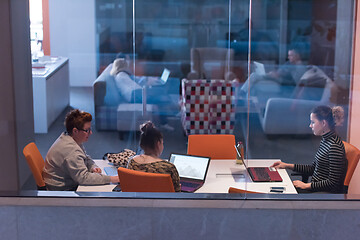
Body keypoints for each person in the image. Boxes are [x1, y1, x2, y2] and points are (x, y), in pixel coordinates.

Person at [271, 105, 347, 193]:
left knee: (279, 193)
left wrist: (306, 185)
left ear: (323, 123)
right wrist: (287, 165)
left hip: (322, 194)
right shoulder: (326, 141)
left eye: (313, 122)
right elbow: (313, 169)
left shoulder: (334, 146)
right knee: (277, 189)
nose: (310, 125)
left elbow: (333, 182)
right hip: (315, 189)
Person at [43, 109, 119, 191]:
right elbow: (84, 178)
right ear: (75, 131)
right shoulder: (71, 150)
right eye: (87, 130)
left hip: (68, 181)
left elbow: (84, 157)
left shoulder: (69, 138)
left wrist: (93, 167)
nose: (91, 133)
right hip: (61, 190)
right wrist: (113, 179)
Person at [127, 121, 181, 192]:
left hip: (138, 201)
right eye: (162, 143)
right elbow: (177, 194)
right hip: (163, 202)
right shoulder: (168, 167)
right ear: (158, 144)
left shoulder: (132, 162)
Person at [240, 48, 307, 95]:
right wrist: (273, 73)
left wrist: (276, 74)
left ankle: (242, 93)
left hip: (284, 84)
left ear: (297, 56)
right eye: (288, 55)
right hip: (277, 78)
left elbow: (295, 82)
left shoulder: (299, 67)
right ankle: (244, 94)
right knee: (254, 76)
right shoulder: (289, 63)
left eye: (291, 55)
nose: (289, 57)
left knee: (254, 76)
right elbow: (280, 71)